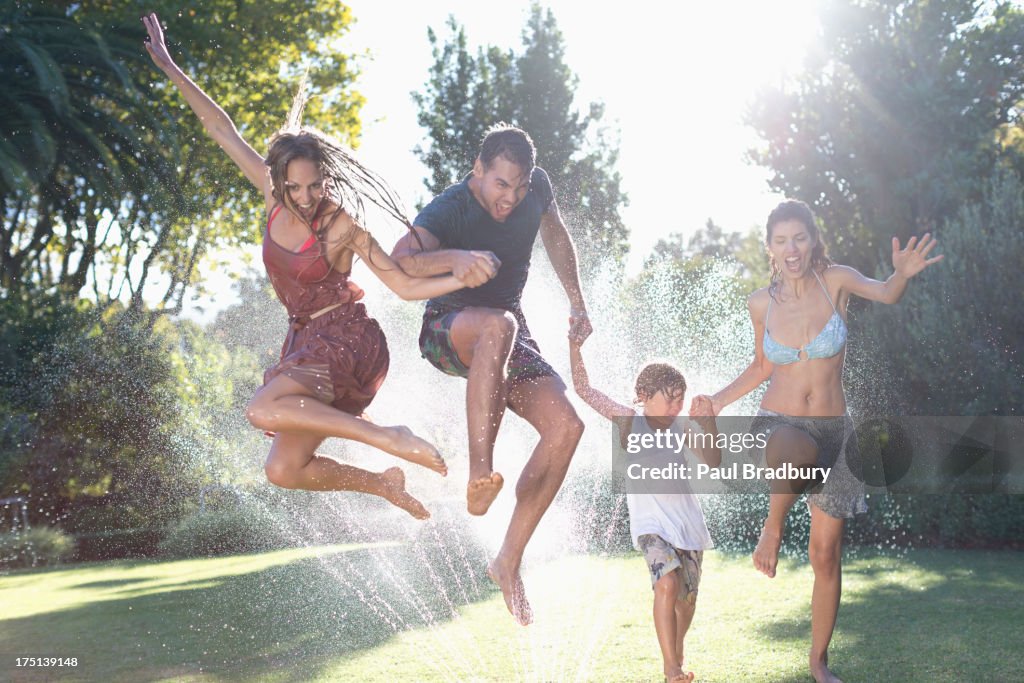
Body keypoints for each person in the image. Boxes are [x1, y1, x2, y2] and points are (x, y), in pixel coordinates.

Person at [142, 13, 493, 520]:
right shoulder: (273, 199)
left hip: (346, 338)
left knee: (260, 407)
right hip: (305, 340)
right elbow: (219, 127)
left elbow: (400, 283)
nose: (306, 197)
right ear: (280, 181)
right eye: (295, 187)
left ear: (326, 179)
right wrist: (171, 66)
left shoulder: (342, 225)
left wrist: (454, 275)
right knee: (282, 471)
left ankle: (387, 437)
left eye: (315, 186)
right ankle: (383, 483)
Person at [694, 199, 942, 683]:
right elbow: (763, 367)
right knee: (793, 447)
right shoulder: (760, 303)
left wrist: (902, 275)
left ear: (813, 241)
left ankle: (818, 662)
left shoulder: (837, 281)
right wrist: (718, 402)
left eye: (800, 238)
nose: (792, 249)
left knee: (826, 555)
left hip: (836, 431)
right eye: (782, 240)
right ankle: (772, 525)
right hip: (780, 424)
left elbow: (887, 294)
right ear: (770, 248)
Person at [390, 124, 590, 624]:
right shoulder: (451, 207)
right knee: (498, 324)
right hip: (448, 327)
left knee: (567, 429)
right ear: (479, 170)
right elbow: (401, 260)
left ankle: (508, 560)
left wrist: (577, 300)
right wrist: (457, 258)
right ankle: (480, 471)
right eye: (501, 185)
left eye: (519, 187)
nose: (511, 198)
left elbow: (556, 235)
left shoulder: (536, 188)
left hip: (507, 333)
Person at [570, 339, 721, 683]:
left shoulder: (682, 428)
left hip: (688, 526)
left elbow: (713, 461)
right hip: (651, 526)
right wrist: (574, 345)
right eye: (670, 398)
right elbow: (583, 388)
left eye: (681, 399)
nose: (676, 406)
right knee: (666, 583)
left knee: (687, 601)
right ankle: (671, 670)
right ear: (644, 394)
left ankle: (676, 655)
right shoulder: (629, 422)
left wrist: (708, 423)